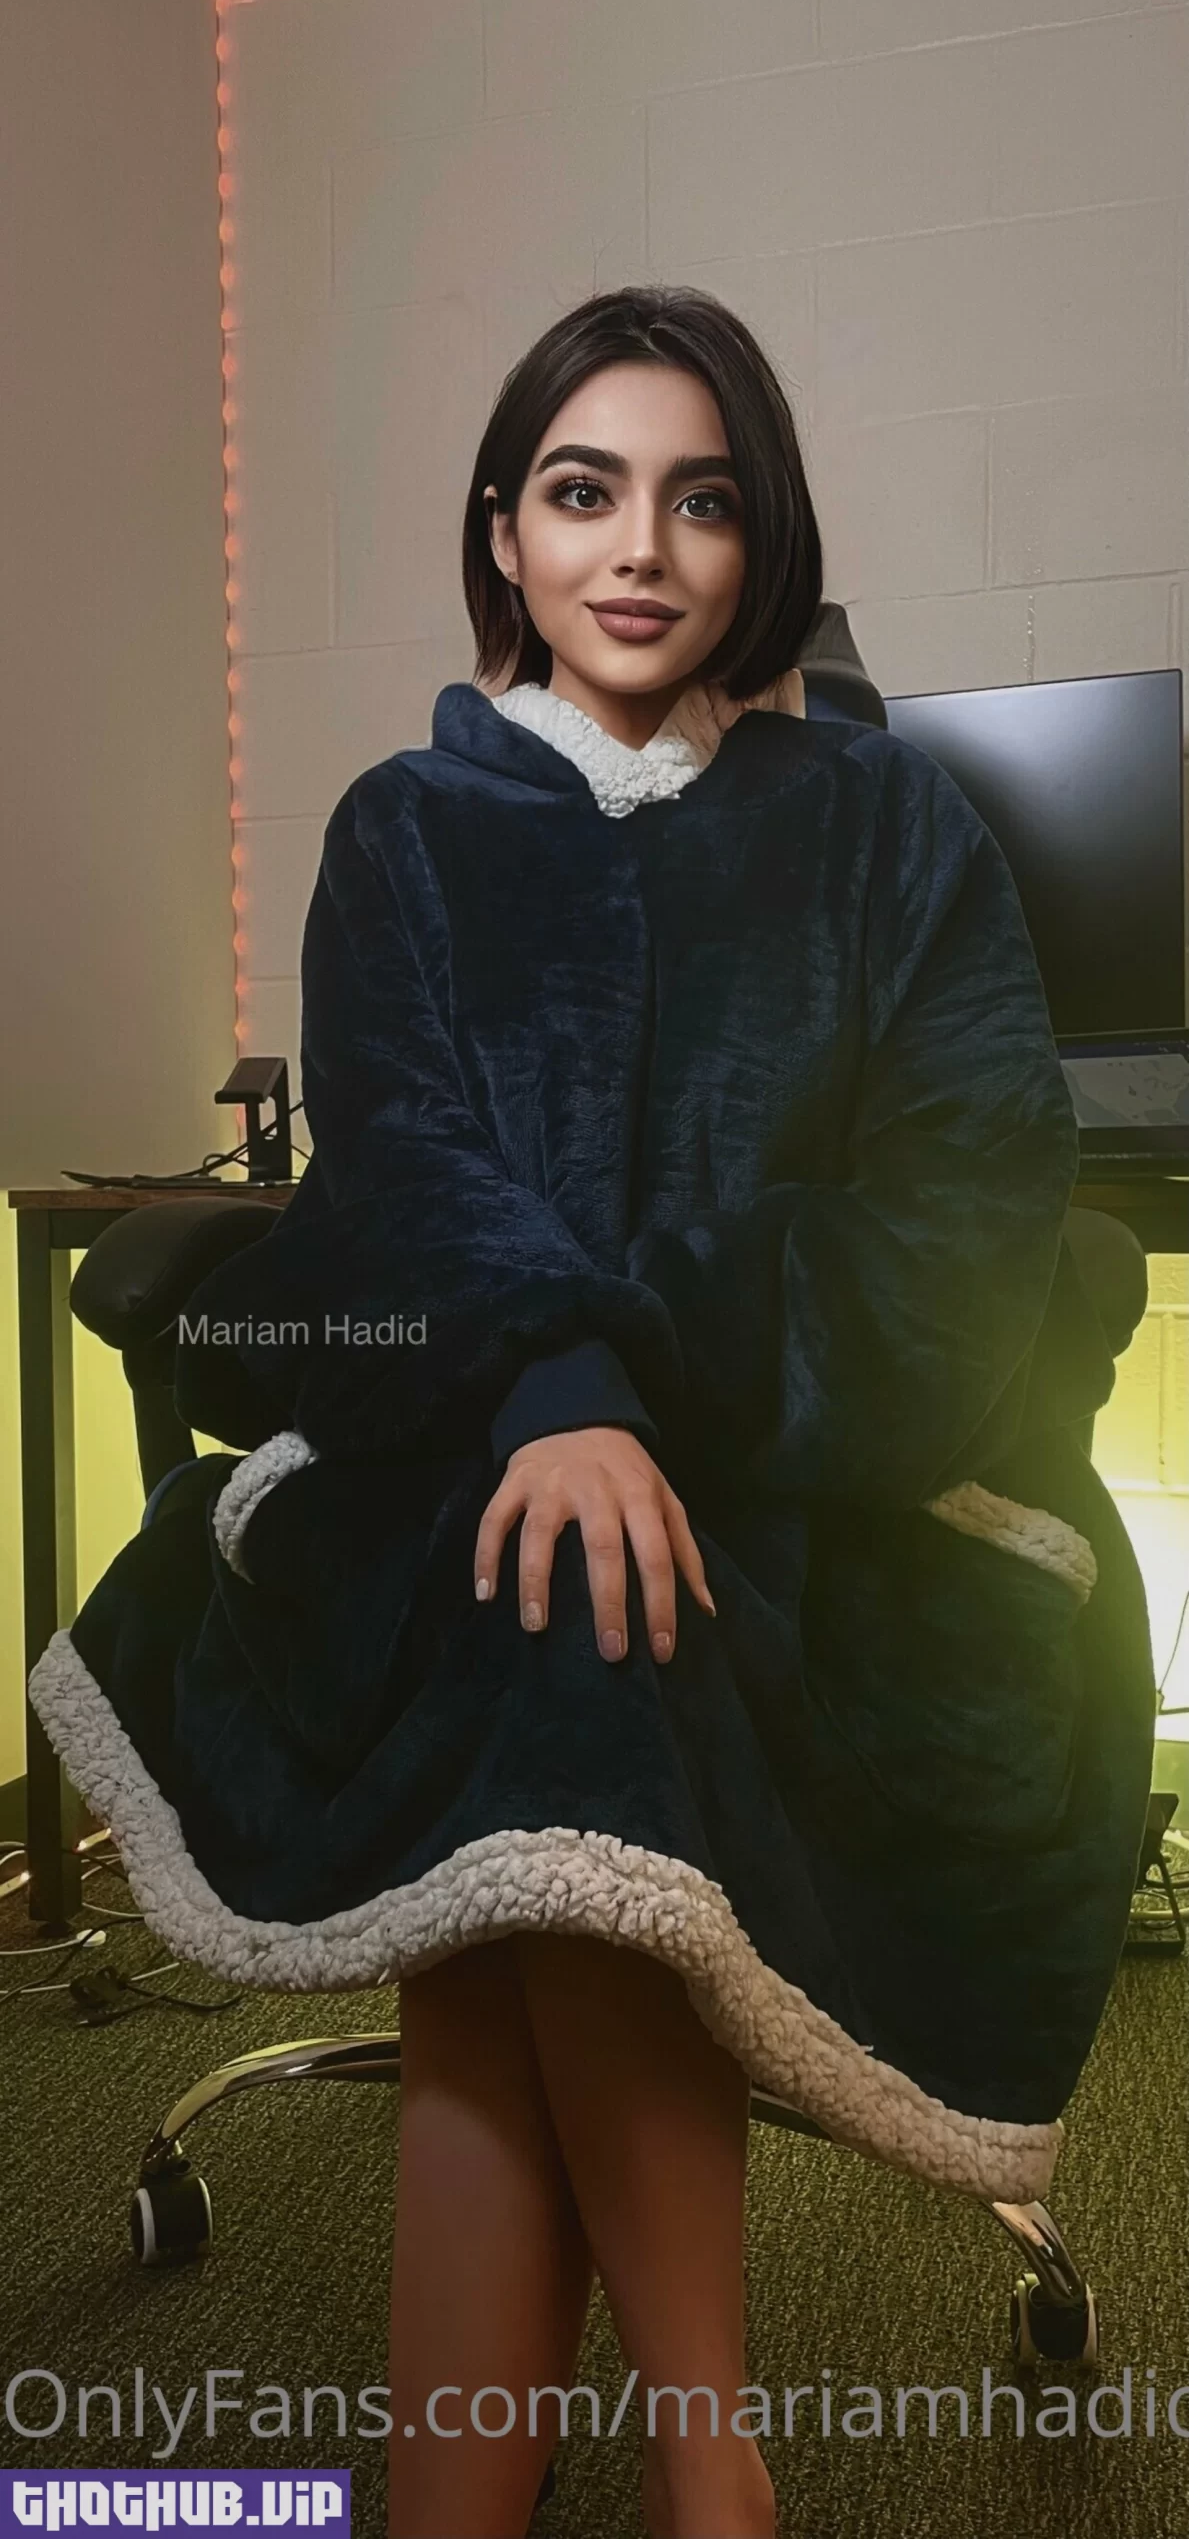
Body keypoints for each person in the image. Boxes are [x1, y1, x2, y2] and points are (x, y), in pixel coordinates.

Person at [29, 286, 1157, 2539]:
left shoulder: (889, 827)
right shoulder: (406, 830)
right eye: (583, 489)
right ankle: (697, 2478)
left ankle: (585, 2484)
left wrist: (644, 1383)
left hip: (832, 1487)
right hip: (462, 1448)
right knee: (553, 1604)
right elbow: (408, 1167)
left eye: (700, 498)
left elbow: (965, 1197)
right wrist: (553, 1392)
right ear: (505, 530)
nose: (640, 546)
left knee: (575, 1651)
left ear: (764, 538)